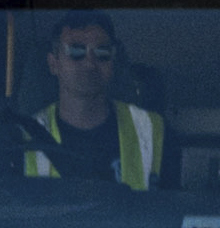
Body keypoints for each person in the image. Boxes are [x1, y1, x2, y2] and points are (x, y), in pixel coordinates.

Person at [21, 13, 164, 188]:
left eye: (102, 53)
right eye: (76, 51)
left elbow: (174, 208)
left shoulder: (151, 129)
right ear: (53, 64)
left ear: (113, 62)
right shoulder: (22, 138)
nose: (90, 64)